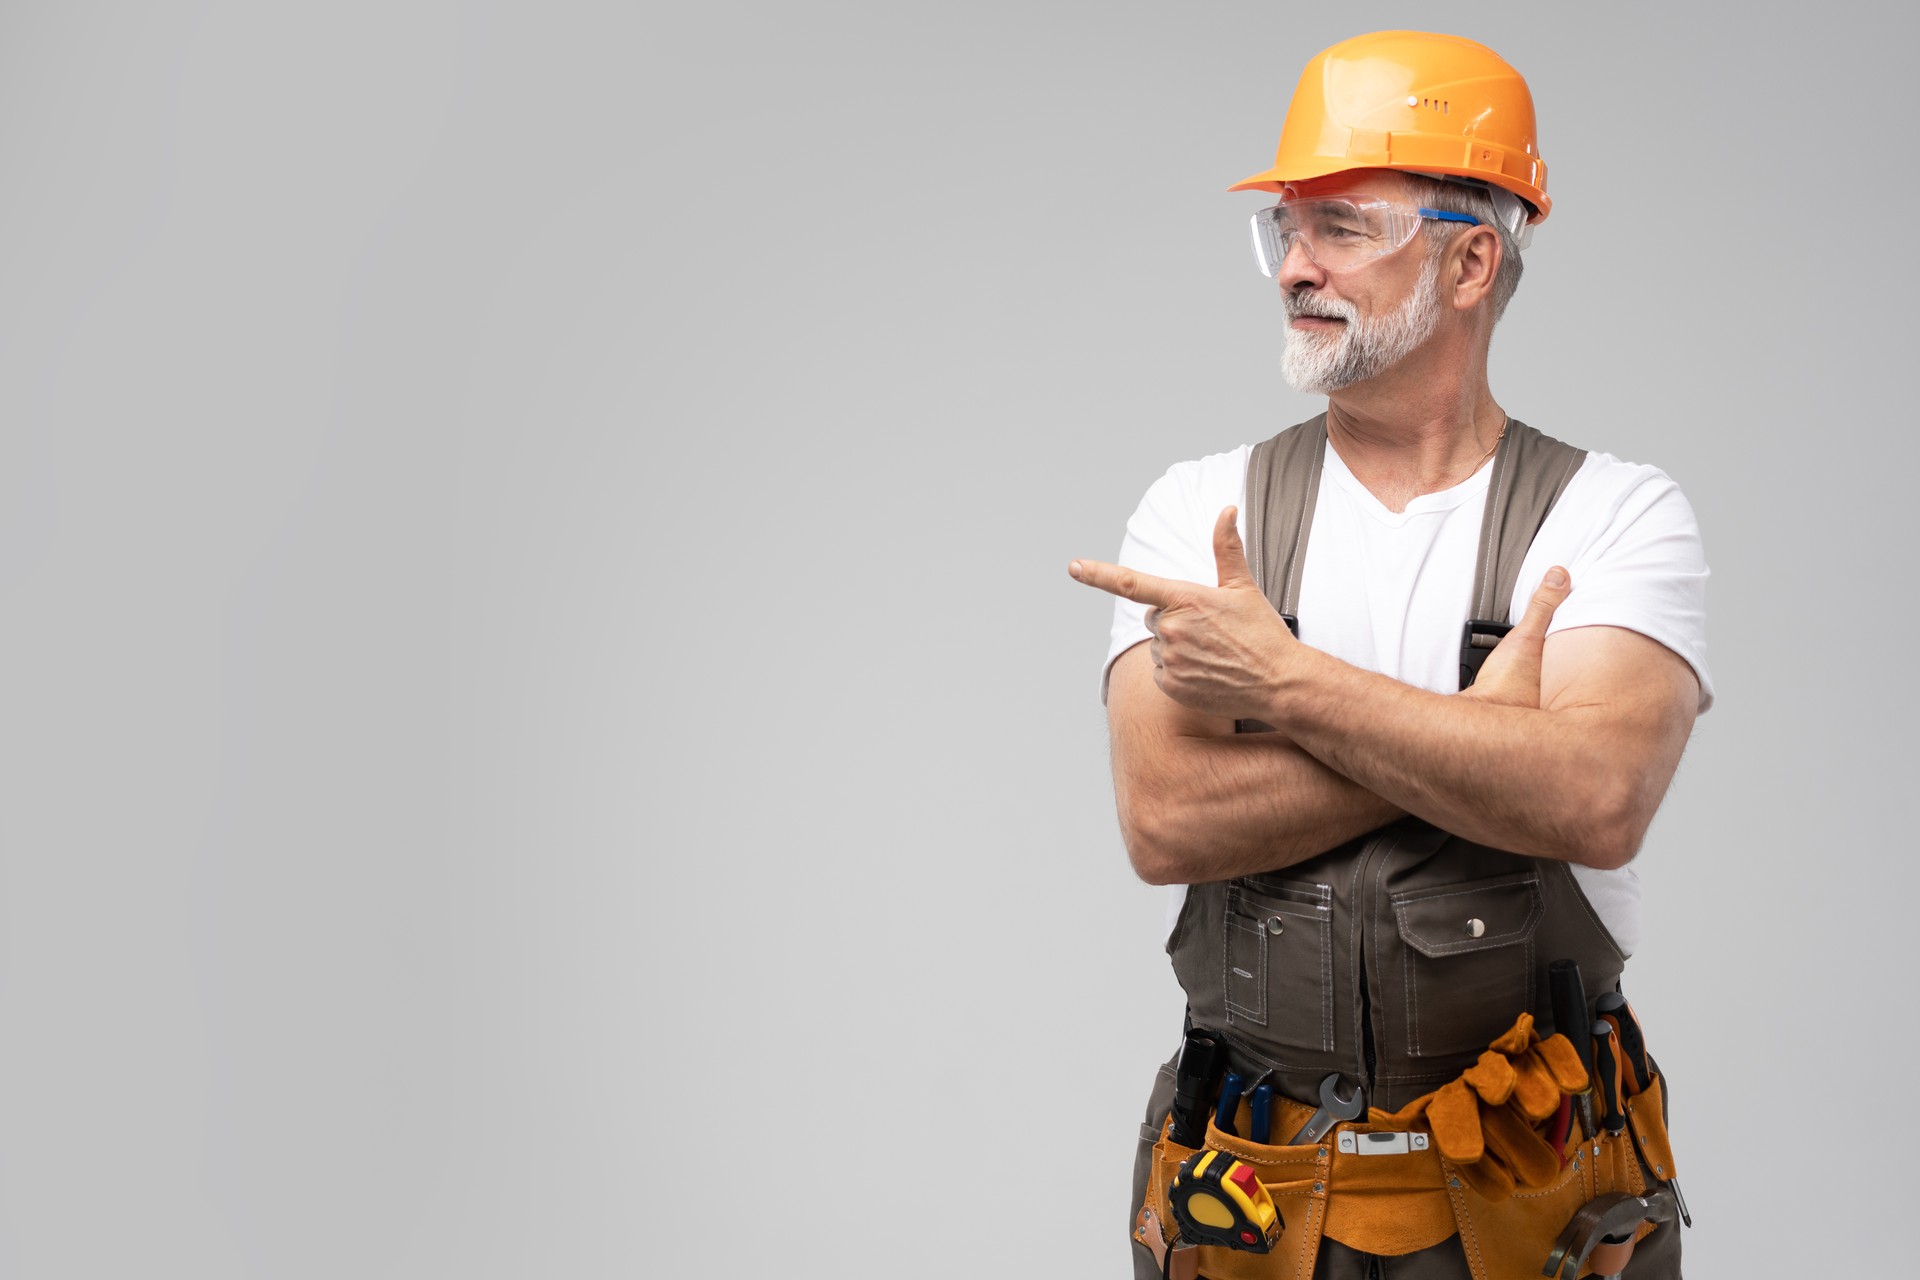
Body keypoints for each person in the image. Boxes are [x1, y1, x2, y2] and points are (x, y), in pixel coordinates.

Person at [1067, 31, 1711, 1280]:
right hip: (1250, 1211)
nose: (1293, 266)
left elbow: (1591, 795)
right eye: (1283, 230)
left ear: (1472, 259)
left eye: (1343, 226)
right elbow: (1165, 821)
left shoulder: (1616, 515)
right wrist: (1479, 738)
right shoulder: (1201, 510)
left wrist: (1283, 686)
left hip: (1539, 1215)